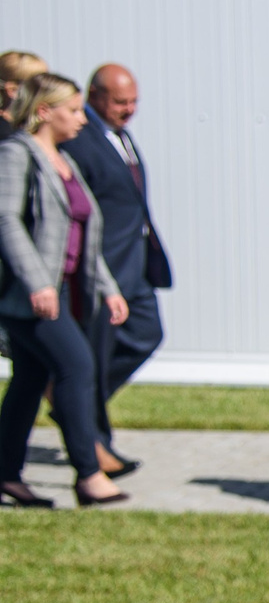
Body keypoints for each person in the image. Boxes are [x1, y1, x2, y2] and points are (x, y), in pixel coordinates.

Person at [1, 73, 130, 509]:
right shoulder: (17, 154)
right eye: (73, 110)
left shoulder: (62, 159)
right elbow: (5, 220)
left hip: (65, 294)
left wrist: (107, 289)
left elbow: (83, 234)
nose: (81, 118)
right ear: (43, 112)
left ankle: (5, 475)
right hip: (31, 298)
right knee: (76, 367)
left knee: (28, 382)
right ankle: (89, 475)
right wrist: (37, 281)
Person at [65, 63, 172, 473]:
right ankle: (96, 447)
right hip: (104, 268)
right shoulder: (81, 140)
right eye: (120, 102)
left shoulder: (119, 135)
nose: (129, 109)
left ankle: (73, 405)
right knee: (94, 355)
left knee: (147, 334)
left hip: (136, 265)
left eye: (133, 102)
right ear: (95, 97)